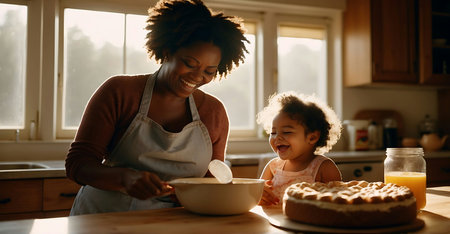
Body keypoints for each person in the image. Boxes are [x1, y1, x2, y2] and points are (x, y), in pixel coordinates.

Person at [65, 0, 248, 215]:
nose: (198, 76)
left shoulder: (213, 113)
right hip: (104, 217)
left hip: (175, 223)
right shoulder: (120, 92)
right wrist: (125, 178)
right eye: (189, 63)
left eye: (209, 71)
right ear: (168, 50)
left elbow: (213, 180)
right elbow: (78, 164)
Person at [256, 91, 342, 206]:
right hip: (274, 223)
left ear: (312, 137)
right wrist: (260, 196)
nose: (277, 137)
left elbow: (338, 204)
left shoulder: (324, 168)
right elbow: (257, 198)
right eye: (273, 132)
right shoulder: (272, 168)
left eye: (286, 132)